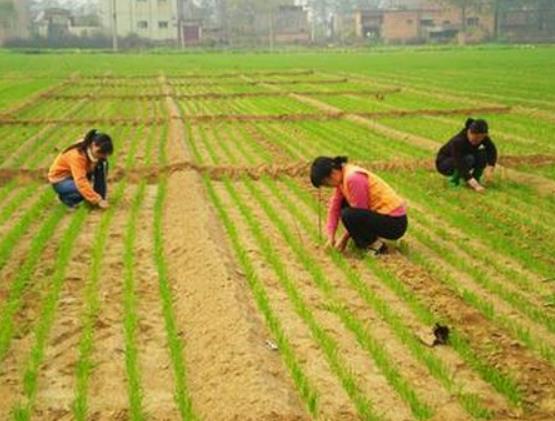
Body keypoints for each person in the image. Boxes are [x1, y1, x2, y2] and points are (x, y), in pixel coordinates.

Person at [310, 156, 408, 255]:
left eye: (326, 183)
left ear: (333, 173)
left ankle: (377, 246)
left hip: (395, 223)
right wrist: (331, 237)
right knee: (344, 207)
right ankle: (370, 241)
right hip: (383, 217)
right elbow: (334, 208)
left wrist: (343, 240)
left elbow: (359, 214)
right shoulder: (342, 178)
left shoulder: (353, 178)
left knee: (348, 215)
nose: (328, 186)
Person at [48, 129, 113, 209]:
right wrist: (97, 200)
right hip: (61, 180)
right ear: (93, 145)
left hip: (75, 176)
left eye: (105, 154)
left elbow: (101, 178)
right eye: (100, 153)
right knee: (81, 191)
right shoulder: (77, 155)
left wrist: (100, 198)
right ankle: (66, 198)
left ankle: (87, 197)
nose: (102, 156)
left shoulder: (97, 155)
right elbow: (80, 181)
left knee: (89, 192)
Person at [436, 118, 497, 192]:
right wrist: (475, 185)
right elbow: (460, 163)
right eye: (475, 138)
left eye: (480, 138)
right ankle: (454, 180)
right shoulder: (458, 141)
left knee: (482, 154)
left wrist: (490, 166)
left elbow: (492, 150)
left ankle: (476, 177)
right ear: (469, 132)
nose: (477, 140)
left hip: (464, 159)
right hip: (445, 163)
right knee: (468, 158)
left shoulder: (482, 138)